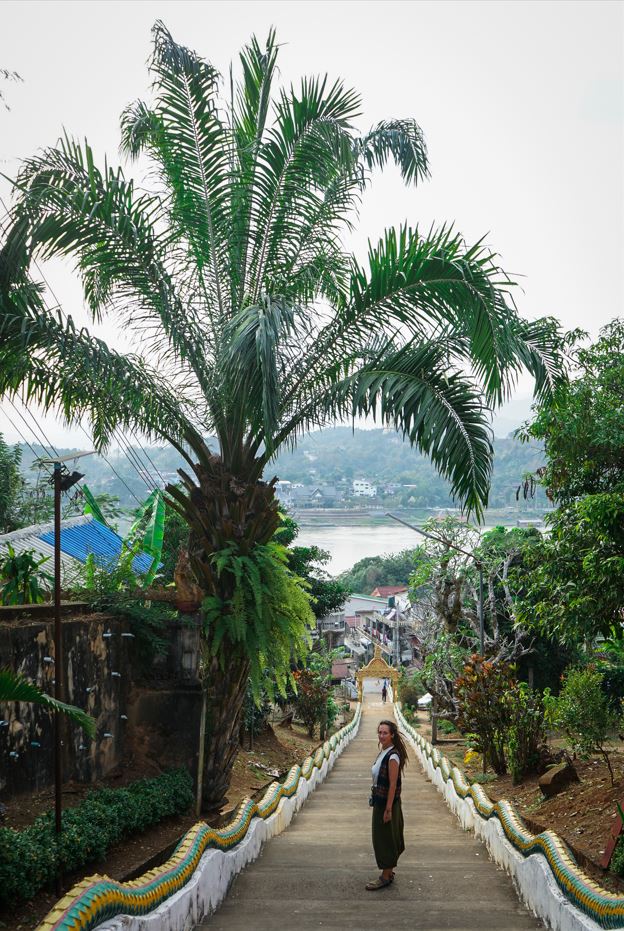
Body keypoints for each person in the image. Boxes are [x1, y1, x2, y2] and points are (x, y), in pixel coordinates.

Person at [366, 719, 408, 890]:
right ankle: (388, 872)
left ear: (392, 735)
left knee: (384, 839)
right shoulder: (384, 751)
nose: (382, 735)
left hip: (386, 803)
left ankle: (385, 876)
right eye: (380, 732)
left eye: (385, 733)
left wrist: (388, 809)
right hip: (379, 801)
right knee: (384, 837)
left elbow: (392, 784)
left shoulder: (392, 756)